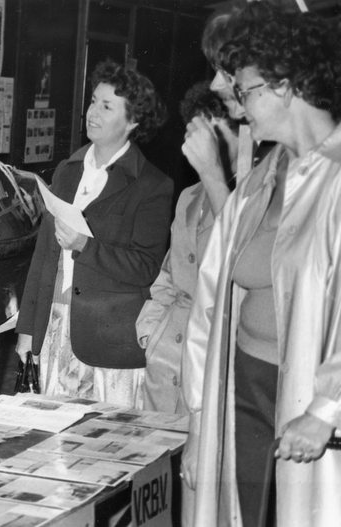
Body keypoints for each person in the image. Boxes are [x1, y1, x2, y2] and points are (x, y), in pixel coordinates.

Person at [182, 3, 341, 526]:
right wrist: (199, 423)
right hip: (244, 387)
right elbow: (210, 302)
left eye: (242, 88)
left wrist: (327, 410)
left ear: (284, 85)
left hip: (311, 402)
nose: (234, 101)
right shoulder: (260, 180)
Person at [14, 60, 171, 406]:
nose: (92, 113)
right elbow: (43, 257)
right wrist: (27, 330)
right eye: (93, 101)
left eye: (107, 106)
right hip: (55, 328)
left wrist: (86, 246)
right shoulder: (67, 171)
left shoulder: (151, 185)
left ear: (133, 121)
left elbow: (147, 267)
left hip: (108, 342)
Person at [135, 82, 240, 416]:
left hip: (213, 362)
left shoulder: (251, 199)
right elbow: (169, 272)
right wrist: (151, 332)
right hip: (165, 361)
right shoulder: (188, 197)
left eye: (212, 132)